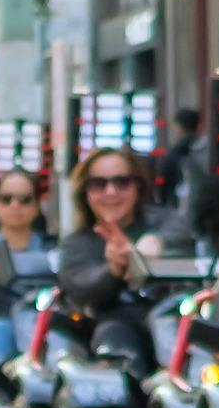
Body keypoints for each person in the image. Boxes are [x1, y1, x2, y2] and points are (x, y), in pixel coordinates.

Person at [53, 146, 166, 367]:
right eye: (99, 184)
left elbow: (181, 239)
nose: (111, 192)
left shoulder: (165, 223)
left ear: (137, 187)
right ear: (85, 192)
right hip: (111, 331)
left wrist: (154, 247)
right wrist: (114, 269)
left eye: (121, 182)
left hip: (169, 322)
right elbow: (79, 286)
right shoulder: (75, 243)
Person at [0, 167, 54, 359]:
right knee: (0, 331)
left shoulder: (54, 248)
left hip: (45, 321)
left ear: (37, 204)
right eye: (6, 199)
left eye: (25, 200)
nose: (15, 206)